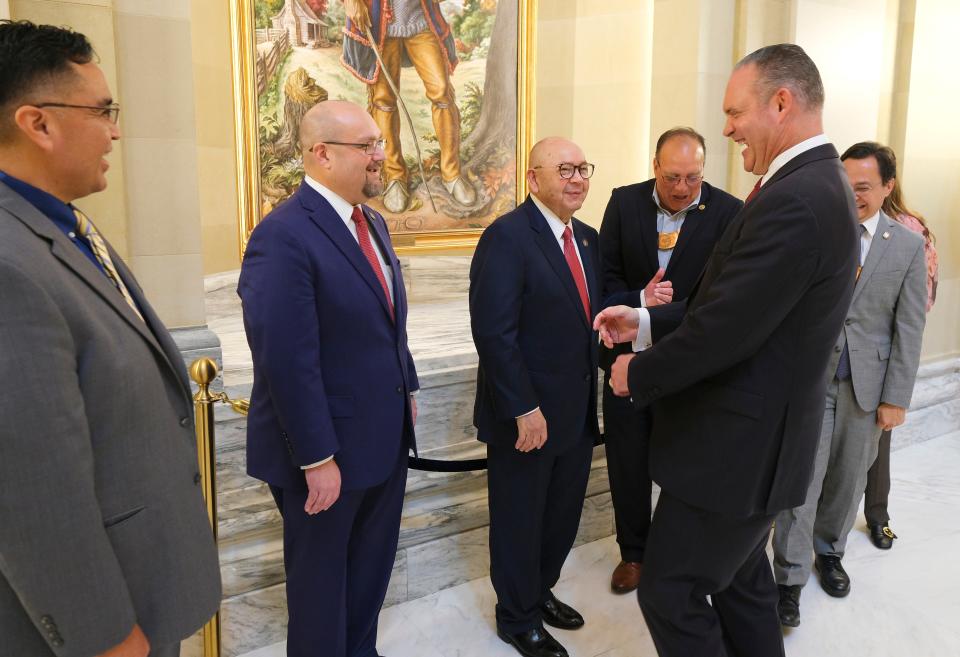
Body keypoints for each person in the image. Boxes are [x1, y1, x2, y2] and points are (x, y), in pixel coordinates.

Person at [594, 44, 858, 657]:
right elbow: (738, 307)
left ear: (781, 102)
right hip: (753, 450)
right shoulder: (810, 185)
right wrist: (646, 321)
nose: (727, 127)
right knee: (742, 585)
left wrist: (639, 371)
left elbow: (726, 331)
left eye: (735, 111)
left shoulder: (797, 197)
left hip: (736, 454)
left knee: (670, 592)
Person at [0, 20, 221, 657]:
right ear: (37, 123)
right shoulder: (9, 265)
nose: (117, 130)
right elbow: (31, 492)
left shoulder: (57, 224)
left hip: (139, 580)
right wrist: (105, 638)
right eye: (102, 111)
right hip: (99, 622)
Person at [238, 99, 419, 657]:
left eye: (379, 144)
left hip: (382, 442)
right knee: (321, 596)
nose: (379, 156)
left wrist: (407, 388)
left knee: (367, 580)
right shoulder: (284, 235)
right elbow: (286, 358)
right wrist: (317, 458)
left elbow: (389, 323)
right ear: (321, 154)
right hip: (326, 456)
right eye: (366, 146)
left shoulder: (373, 223)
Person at [770, 141, 927, 627]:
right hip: (810, 382)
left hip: (868, 385)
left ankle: (830, 552)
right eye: (845, 185)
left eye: (863, 187)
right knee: (802, 481)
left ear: (887, 187)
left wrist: (895, 398)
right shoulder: (817, 232)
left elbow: (908, 326)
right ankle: (789, 579)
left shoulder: (907, 246)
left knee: (849, 478)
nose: (852, 196)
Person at [470, 137, 601, 657]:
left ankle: (539, 592)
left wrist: (639, 303)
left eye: (583, 168)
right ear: (533, 179)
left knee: (561, 517)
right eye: (564, 169)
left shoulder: (587, 239)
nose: (577, 179)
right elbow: (494, 332)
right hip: (527, 417)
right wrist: (523, 408)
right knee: (520, 521)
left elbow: (586, 312)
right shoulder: (507, 237)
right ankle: (516, 617)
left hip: (575, 415)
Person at [598, 127, 742, 594]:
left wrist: (660, 318)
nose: (681, 188)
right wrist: (639, 301)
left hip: (690, 367)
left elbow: (721, 302)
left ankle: (678, 555)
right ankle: (634, 555)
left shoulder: (729, 213)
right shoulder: (624, 203)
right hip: (628, 365)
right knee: (627, 462)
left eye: (692, 178)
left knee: (687, 461)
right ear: (655, 167)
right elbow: (603, 281)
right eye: (672, 177)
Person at [861, 145, 938, 550]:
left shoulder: (911, 229)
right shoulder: (841, 224)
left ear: (888, 183)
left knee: (878, 443)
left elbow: (920, 303)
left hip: (883, 354)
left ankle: (878, 516)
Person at [342, 0, 476, 212]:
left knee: (442, 93)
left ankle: (451, 173)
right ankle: (395, 176)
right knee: (383, 100)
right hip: (378, 22)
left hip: (420, 19)